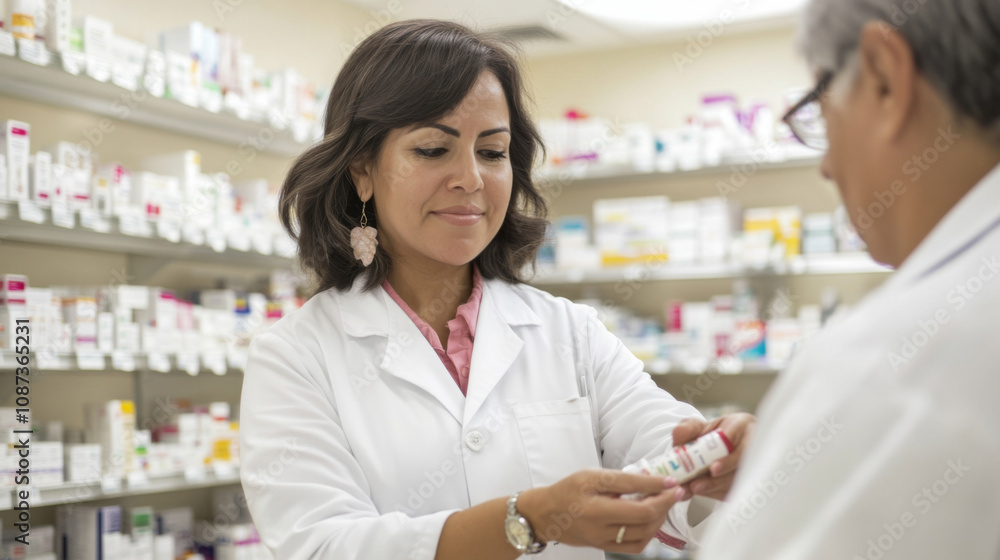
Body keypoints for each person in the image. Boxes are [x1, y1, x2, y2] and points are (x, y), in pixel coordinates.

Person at [238, 19, 754, 560]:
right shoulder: (295, 356)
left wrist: (716, 458)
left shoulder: (568, 331)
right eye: (434, 149)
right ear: (362, 171)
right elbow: (323, 545)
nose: (471, 178)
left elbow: (661, 438)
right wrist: (528, 520)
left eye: (492, 151)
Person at [696, 0, 1000, 558]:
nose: (826, 166)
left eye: (819, 105)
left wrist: (817, 440)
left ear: (885, 79)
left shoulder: (884, 366)